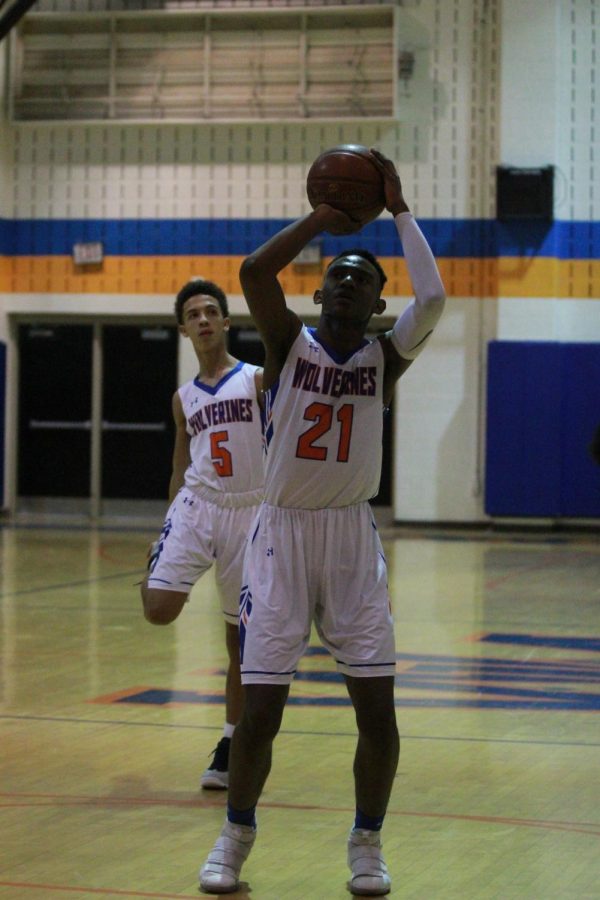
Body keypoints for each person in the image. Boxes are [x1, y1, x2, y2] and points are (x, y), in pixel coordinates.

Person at [199, 149, 446, 895]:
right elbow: (251, 274)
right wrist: (324, 217)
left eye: (361, 278)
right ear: (319, 293)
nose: (345, 282)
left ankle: (366, 844)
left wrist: (397, 210)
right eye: (336, 273)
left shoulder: (385, 358)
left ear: (375, 303)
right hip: (279, 536)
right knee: (261, 711)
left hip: (347, 538)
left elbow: (432, 299)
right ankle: (235, 837)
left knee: (377, 706)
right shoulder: (286, 345)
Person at [141, 278, 264, 790]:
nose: (204, 320)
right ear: (184, 328)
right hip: (196, 503)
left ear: (227, 321)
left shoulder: (257, 379)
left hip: (250, 510)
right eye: (194, 314)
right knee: (158, 610)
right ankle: (159, 560)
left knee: (240, 642)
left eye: (212, 311)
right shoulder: (183, 398)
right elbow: (178, 465)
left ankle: (230, 741)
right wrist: (167, 524)